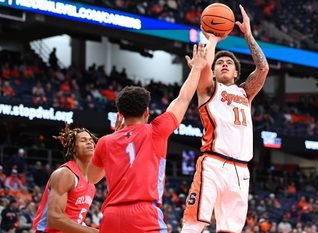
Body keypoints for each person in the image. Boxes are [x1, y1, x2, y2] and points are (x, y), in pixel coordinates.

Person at [87, 43, 208, 233]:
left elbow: (92, 178)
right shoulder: (156, 131)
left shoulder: (105, 142)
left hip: (111, 216)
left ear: (119, 114)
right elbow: (183, 98)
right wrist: (197, 69)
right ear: (147, 112)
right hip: (143, 214)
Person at [181, 5, 269, 233]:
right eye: (220, 63)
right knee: (194, 223)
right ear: (214, 70)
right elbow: (204, 66)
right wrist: (213, 40)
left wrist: (248, 35)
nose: (224, 64)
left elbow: (263, 68)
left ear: (237, 73)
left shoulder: (245, 93)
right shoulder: (208, 88)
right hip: (213, 163)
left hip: (241, 170)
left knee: (230, 230)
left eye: (229, 62)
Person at [32, 125, 98, 233]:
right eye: (83, 140)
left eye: (91, 140)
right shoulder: (66, 174)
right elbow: (54, 218)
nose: (89, 142)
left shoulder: (91, 184)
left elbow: (75, 220)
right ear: (73, 148)